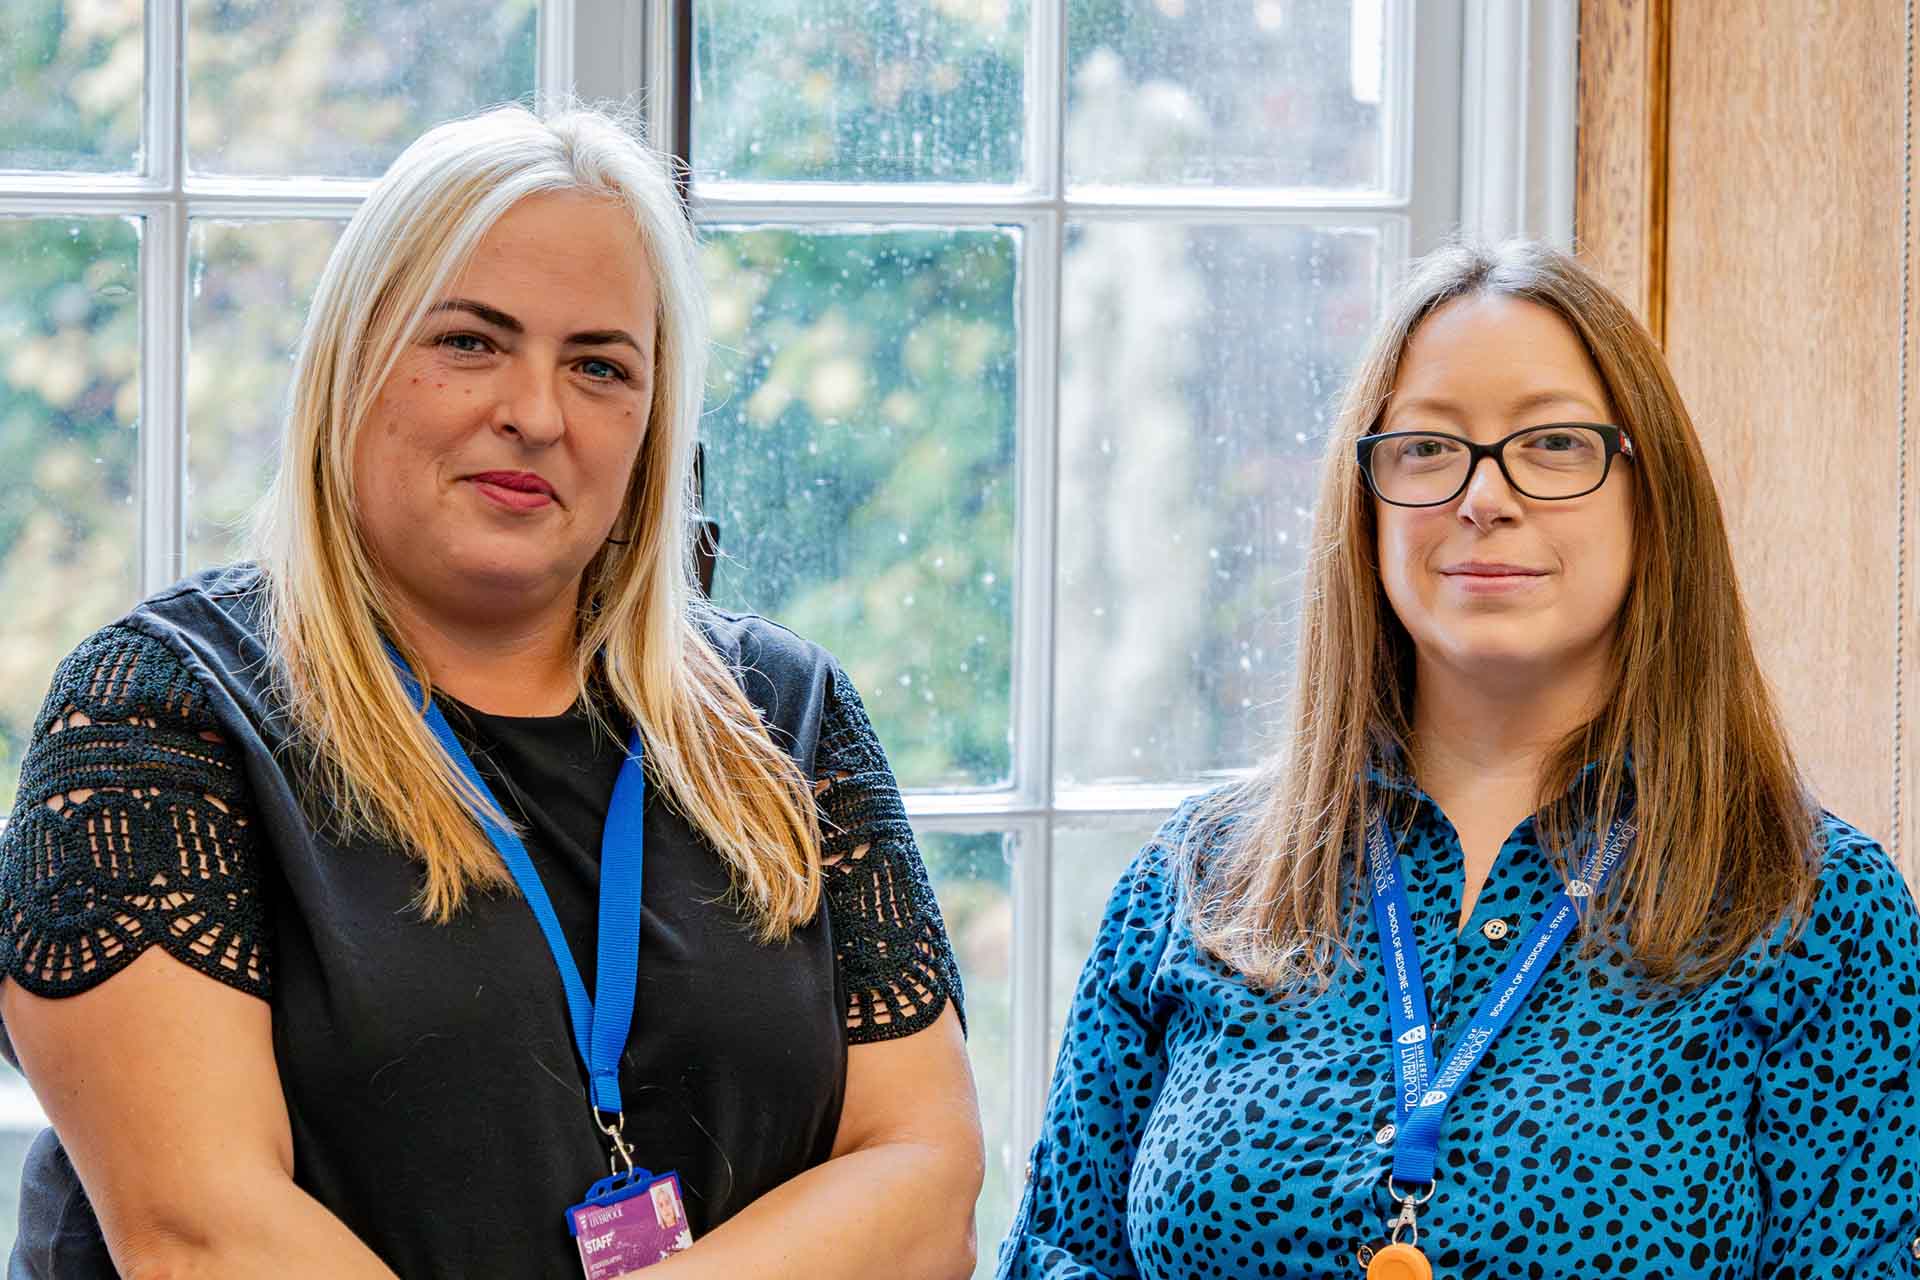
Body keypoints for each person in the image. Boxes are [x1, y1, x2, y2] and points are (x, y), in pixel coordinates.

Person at [0, 104, 982, 1279]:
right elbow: (200, 1236)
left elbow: (925, 1181)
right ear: (352, 358)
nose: (536, 412)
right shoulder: (164, 711)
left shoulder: (783, 713)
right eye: (470, 340)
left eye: (600, 364)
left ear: (654, 421)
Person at [997, 240, 1920, 1278]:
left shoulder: (1814, 906)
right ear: (1369, 500)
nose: (1484, 495)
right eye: (1428, 447)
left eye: (1555, 443)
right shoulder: (1200, 876)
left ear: (1651, 495)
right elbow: (1058, 1254)